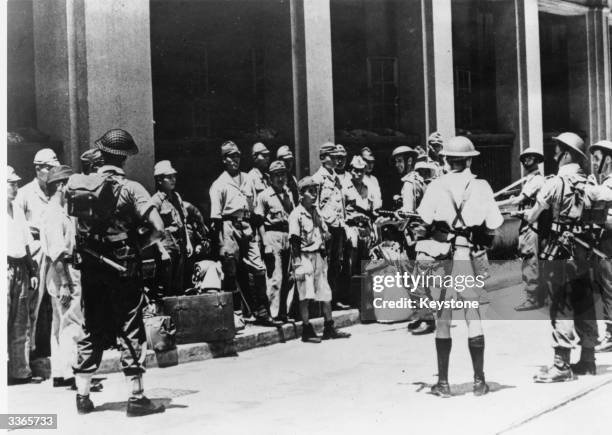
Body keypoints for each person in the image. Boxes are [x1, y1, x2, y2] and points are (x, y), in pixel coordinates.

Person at [72, 129, 166, 416]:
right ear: (125, 157)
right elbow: (159, 229)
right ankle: (136, 398)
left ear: (101, 154)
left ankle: (83, 397)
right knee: (129, 327)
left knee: (92, 327)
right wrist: (138, 243)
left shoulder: (84, 187)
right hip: (123, 269)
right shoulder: (132, 189)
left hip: (91, 269)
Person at [417, 136, 503, 397]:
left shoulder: (436, 185)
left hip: (441, 255)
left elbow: (423, 219)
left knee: (442, 318)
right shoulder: (482, 186)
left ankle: (443, 385)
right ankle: (479, 382)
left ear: (445, 159)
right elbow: (495, 223)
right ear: (468, 159)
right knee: (472, 315)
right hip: (465, 255)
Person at [524, 132, 599, 382]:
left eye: (557, 150)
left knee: (561, 303)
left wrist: (528, 213)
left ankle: (561, 365)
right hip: (584, 250)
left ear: (566, 153)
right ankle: (588, 359)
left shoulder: (556, 182)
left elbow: (532, 216)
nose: (554, 155)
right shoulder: (589, 183)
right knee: (584, 301)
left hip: (560, 251)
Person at [209, 141, 280, 326]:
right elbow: (215, 219)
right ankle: (234, 312)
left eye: (238, 156)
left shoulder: (248, 178)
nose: (235, 160)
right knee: (231, 270)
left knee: (258, 268)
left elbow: (256, 207)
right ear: (224, 159)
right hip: (228, 226)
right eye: (231, 157)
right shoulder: (219, 184)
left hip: (247, 225)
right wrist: (221, 244)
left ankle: (261, 309)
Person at [40, 165, 97, 391]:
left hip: (63, 271)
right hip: (63, 272)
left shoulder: (60, 210)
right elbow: (57, 253)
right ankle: (75, 374)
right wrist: (65, 283)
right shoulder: (54, 214)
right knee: (72, 323)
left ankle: (60, 372)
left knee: (59, 323)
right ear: (61, 186)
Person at [289, 176, 351, 342]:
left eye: (315, 191)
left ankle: (329, 326)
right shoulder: (296, 215)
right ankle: (306, 329)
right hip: (304, 257)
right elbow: (294, 241)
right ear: (301, 195)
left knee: (325, 292)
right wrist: (297, 263)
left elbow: (325, 232)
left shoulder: (316, 212)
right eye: (310, 191)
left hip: (319, 256)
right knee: (305, 294)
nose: (314, 194)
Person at [14, 148, 60, 357]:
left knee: (57, 301)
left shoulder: (56, 192)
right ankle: (29, 350)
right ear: (38, 168)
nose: (51, 172)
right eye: (48, 168)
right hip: (34, 251)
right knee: (33, 303)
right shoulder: (23, 193)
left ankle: (52, 348)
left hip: (55, 250)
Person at [497, 148, 546, 311]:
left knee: (530, 261)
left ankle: (532, 299)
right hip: (526, 224)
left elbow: (521, 199)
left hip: (533, 225)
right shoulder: (529, 179)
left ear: (537, 160)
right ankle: (536, 297)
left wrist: (496, 203)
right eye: (524, 158)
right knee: (528, 259)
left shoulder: (537, 180)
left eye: (530, 158)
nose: (526, 161)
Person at [7, 166, 40, 385]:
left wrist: (32, 270)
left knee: (21, 322)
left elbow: (27, 243)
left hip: (20, 268)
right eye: (11, 183)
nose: (15, 187)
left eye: (17, 183)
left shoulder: (16, 209)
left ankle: (20, 371)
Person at [255, 160, 295, 322]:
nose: (280, 178)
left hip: (288, 236)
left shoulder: (289, 194)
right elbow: (259, 222)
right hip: (272, 236)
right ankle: (274, 313)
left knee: (289, 277)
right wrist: (265, 244)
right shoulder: (264, 196)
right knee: (275, 277)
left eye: (283, 175)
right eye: (276, 175)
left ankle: (285, 312)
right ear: (270, 177)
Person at [311, 142, 350, 310]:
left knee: (336, 264)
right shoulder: (317, 179)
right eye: (331, 157)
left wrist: (344, 224)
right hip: (326, 227)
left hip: (338, 225)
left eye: (336, 157)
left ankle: (333, 299)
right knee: (324, 265)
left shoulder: (336, 178)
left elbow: (340, 203)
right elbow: (315, 206)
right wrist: (321, 228)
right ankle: (322, 302)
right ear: (322, 158)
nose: (335, 160)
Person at [151, 160, 193, 295]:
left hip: (179, 246)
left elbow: (183, 221)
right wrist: (161, 251)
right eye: (169, 177)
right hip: (166, 248)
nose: (173, 180)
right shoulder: (155, 201)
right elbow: (152, 230)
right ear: (159, 180)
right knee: (165, 286)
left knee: (178, 285)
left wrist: (188, 242)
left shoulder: (176, 197)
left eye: (174, 176)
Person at [586, 139, 612, 353]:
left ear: (608, 159)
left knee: (609, 287)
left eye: (597, 159)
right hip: (604, 239)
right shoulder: (602, 181)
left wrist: (588, 186)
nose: (594, 163)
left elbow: (599, 195)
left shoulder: (609, 182)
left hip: (610, 240)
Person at [343, 156, 375, 285]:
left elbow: (371, 210)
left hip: (365, 229)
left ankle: (363, 296)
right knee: (351, 263)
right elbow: (341, 212)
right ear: (351, 170)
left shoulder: (368, 188)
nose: (359, 174)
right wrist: (352, 217)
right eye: (356, 170)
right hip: (351, 228)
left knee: (366, 264)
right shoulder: (345, 188)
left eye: (362, 171)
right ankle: (349, 295)